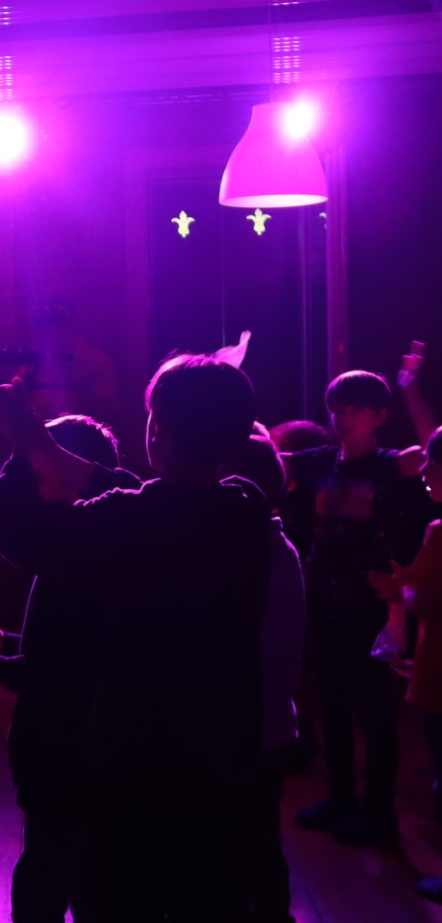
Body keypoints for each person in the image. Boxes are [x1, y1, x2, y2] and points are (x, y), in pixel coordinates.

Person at [0, 357, 273, 921]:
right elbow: (140, 496)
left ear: (155, 430)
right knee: (209, 894)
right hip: (224, 746)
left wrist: (23, 450)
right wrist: (43, 445)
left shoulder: (131, 520)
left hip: (136, 756)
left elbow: (22, 534)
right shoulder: (245, 507)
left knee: (116, 898)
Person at [0, 415, 139, 923]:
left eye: (41, 477)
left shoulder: (78, 560)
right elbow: (66, 649)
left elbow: (65, 676)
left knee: (53, 875)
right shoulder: (88, 552)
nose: (36, 491)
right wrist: (6, 643)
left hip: (67, 750)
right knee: (78, 870)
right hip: (77, 752)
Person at [286, 361, 434, 845]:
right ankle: (341, 798)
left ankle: (380, 813)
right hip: (324, 602)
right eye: (337, 408)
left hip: (373, 606)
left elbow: (436, 448)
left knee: (374, 710)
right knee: (332, 704)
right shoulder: (317, 462)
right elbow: (264, 457)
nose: (343, 416)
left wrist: (410, 390)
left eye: (355, 408)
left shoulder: (391, 465)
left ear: (378, 415)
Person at [228, 434, 307, 923]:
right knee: (259, 841)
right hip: (272, 725)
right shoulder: (277, 545)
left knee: (244, 846)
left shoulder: (251, 552)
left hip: (244, 729)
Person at [368, 427, 442, 904]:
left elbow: (427, 599)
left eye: (434, 462)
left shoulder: (439, 531)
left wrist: (400, 590)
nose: (425, 471)